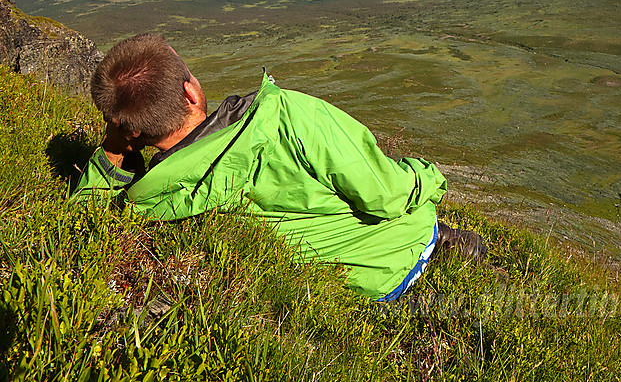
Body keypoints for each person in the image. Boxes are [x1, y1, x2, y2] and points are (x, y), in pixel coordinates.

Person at [74, 33, 486, 301]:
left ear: (130, 129)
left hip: (348, 291)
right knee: (430, 222)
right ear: (191, 91)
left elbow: (81, 218)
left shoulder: (149, 199)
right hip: (399, 248)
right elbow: (386, 195)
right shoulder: (289, 115)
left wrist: (114, 148)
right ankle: (451, 247)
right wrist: (428, 174)